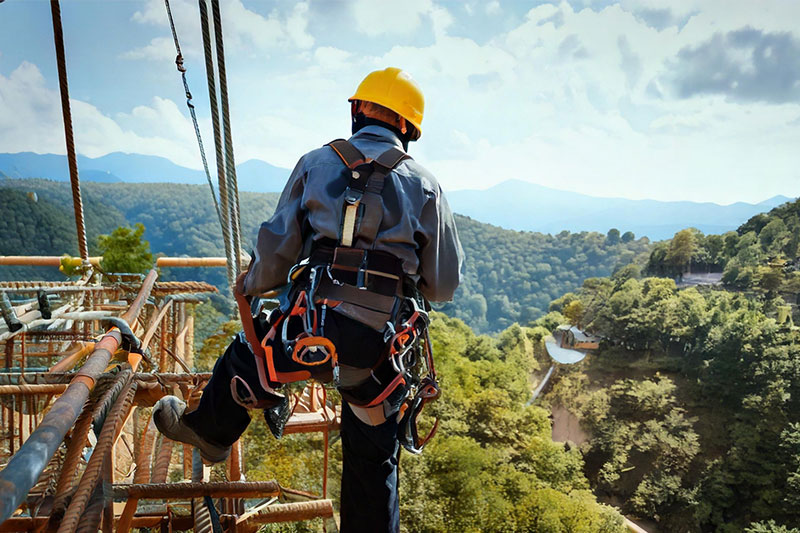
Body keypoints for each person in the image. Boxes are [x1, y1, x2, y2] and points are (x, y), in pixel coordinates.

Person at [153, 67, 463, 533]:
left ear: (358, 111)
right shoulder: (426, 186)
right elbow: (443, 287)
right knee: (372, 463)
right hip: (379, 351)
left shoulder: (317, 164)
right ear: (408, 127)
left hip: (307, 331)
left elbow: (277, 256)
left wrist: (251, 283)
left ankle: (212, 433)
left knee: (249, 352)